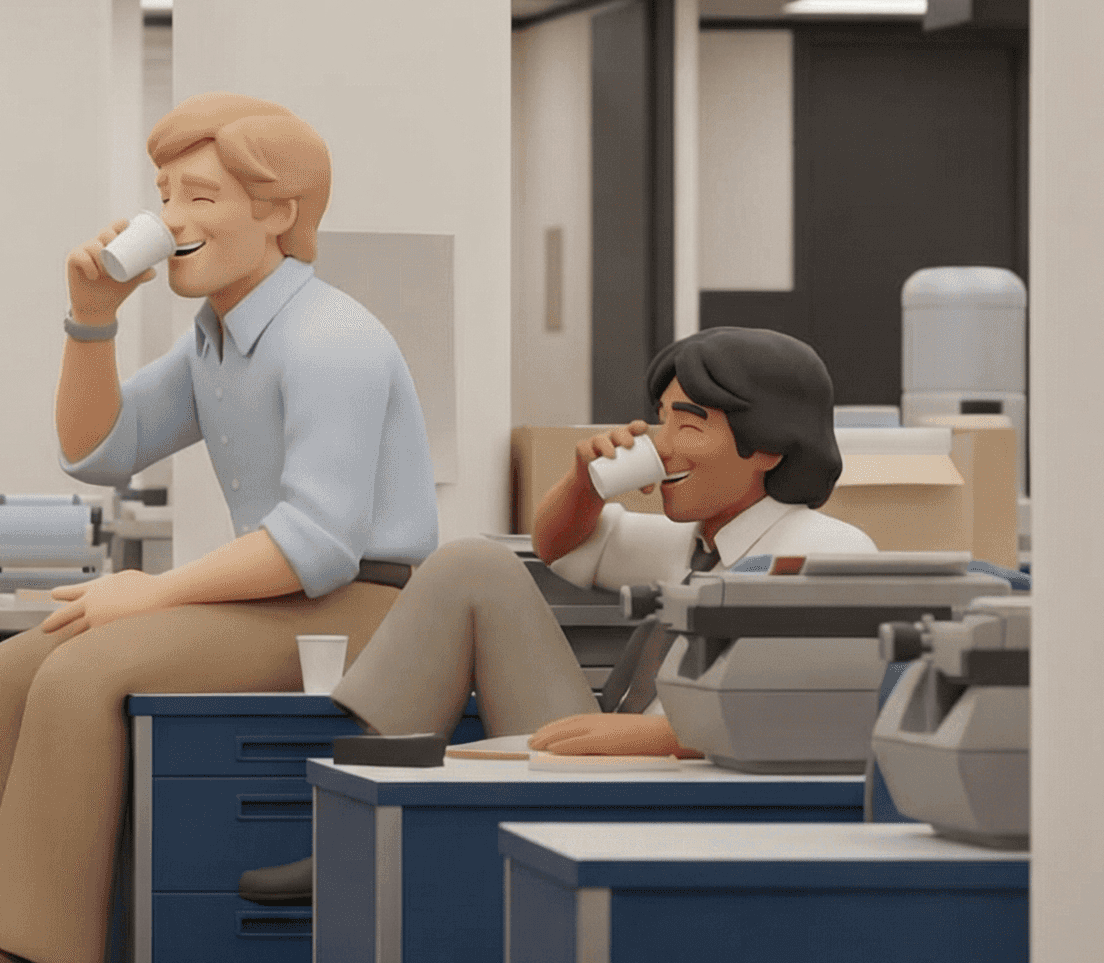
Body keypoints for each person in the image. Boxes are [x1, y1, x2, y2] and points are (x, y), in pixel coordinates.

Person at [0, 93, 437, 963]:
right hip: (284, 596)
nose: (172, 217)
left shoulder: (329, 340)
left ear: (280, 210)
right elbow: (99, 449)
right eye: (166, 193)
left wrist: (154, 595)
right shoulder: (220, 336)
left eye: (201, 194)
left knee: (89, 667)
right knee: (3, 674)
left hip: (360, 605)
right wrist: (89, 323)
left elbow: (317, 540)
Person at [338, 325, 874, 762]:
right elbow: (560, 548)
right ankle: (362, 802)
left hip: (691, 777)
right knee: (472, 564)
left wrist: (664, 739)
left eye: (688, 428)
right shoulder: (689, 545)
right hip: (619, 756)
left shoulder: (825, 553)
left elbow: (822, 715)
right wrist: (583, 483)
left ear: (769, 448)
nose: (662, 448)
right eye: (662, 422)